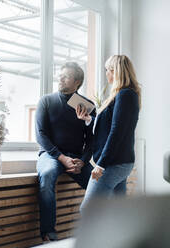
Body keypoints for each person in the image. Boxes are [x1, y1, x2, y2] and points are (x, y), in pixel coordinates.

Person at [35, 62, 95, 242]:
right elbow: (41, 135)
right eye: (60, 75)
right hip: (50, 155)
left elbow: (92, 140)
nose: (60, 78)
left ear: (77, 82)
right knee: (46, 176)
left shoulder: (87, 106)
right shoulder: (46, 101)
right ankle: (48, 233)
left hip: (77, 158)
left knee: (99, 183)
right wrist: (62, 158)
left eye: (66, 76)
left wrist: (83, 161)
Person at [76, 55, 141, 212]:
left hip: (113, 163)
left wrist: (101, 164)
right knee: (118, 210)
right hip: (120, 162)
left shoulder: (125, 95)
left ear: (115, 71)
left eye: (107, 70)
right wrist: (88, 119)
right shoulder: (124, 94)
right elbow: (108, 127)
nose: (106, 73)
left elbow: (117, 132)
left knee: (87, 209)